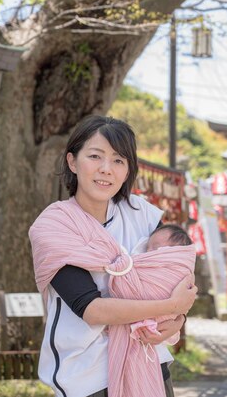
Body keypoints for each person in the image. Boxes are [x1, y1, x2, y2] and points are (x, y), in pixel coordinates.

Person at [29, 116, 197, 397]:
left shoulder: (140, 214)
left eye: (118, 160)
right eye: (95, 156)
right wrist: (170, 304)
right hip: (88, 376)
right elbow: (92, 310)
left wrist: (176, 319)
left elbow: (177, 275)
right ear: (72, 162)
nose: (106, 169)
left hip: (150, 363)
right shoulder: (54, 227)